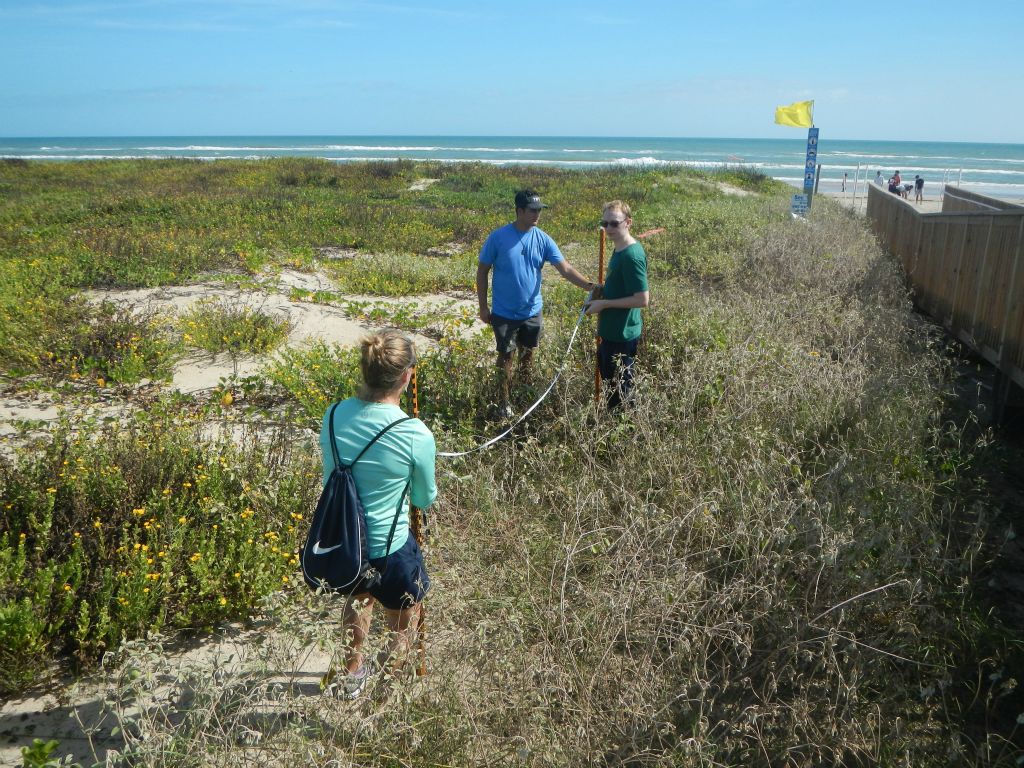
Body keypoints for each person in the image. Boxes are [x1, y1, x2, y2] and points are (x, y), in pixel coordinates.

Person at [319, 330, 437, 698]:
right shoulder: (414, 432)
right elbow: (423, 497)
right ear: (406, 377)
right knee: (404, 623)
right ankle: (384, 687)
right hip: (391, 547)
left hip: (346, 543)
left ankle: (352, 673)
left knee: (358, 600)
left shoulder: (333, 414)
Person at [477, 189, 596, 415]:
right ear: (519, 211)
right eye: (532, 210)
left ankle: (524, 397)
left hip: (532, 312)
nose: (537, 215)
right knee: (506, 358)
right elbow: (482, 271)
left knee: (528, 356)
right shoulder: (498, 237)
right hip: (503, 312)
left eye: (539, 210)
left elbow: (566, 268)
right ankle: (504, 403)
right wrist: (483, 307)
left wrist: (590, 286)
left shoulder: (543, 239)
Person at [584, 201, 649, 411]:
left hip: (622, 337)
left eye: (614, 223)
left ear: (628, 223)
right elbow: (622, 286)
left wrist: (603, 304)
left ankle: (624, 438)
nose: (609, 229)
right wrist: (602, 289)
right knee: (611, 388)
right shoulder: (618, 248)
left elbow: (642, 299)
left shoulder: (631, 256)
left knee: (621, 395)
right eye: (605, 223)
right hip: (611, 333)